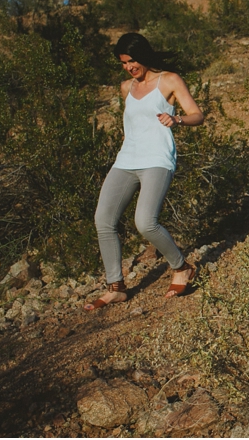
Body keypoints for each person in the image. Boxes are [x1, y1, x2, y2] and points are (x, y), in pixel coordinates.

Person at [85, 33, 205, 310]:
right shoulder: (126, 87)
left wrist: (177, 119)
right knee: (103, 219)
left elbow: (198, 115)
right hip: (126, 160)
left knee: (145, 222)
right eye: (123, 63)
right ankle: (116, 287)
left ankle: (181, 267)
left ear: (143, 55)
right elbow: (132, 127)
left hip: (157, 159)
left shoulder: (169, 80)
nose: (128, 67)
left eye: (131, 60)